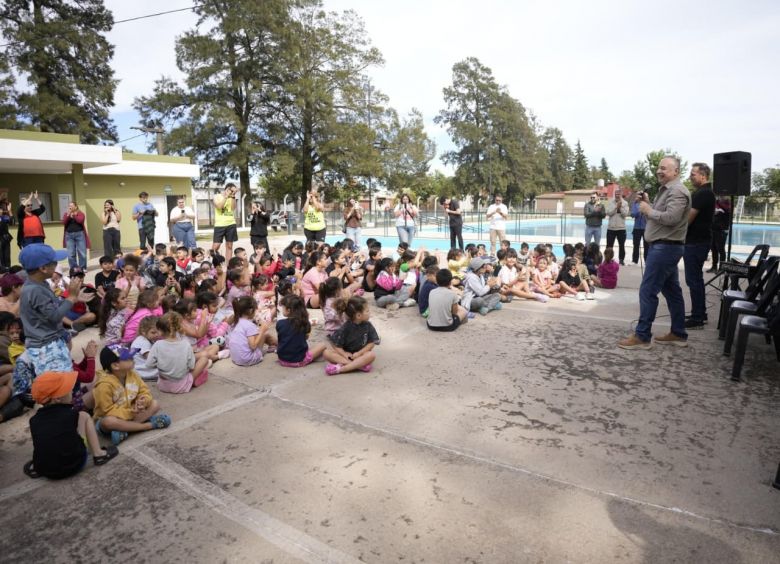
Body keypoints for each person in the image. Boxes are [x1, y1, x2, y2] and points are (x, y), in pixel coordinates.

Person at [619, 156, 691, 350]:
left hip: (665, 248)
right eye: (659, 168)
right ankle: (678, 333)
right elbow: (662, 214)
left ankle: (642, 336)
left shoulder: (677, 191)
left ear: (676, 171)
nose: (659, 171)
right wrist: (649, 204)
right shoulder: (668, 190)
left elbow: (672, 218)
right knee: (672, 291)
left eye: (664, 168)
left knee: (648, 290)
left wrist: (648, 210)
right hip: (665, 247)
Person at [24, 371, 118, 479]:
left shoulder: (33, 420)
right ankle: (99, 454)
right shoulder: (72, 414)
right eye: (67, 389)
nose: (72, 390)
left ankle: (39, 466)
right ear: (58, 398)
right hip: (75, 464)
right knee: (84, 416)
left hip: (46, 471)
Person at [19, 244, 92, 374]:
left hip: (50, 340)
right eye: (54, 262)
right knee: (61, 387)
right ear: (43, 268)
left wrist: (74, 299)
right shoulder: (35, 290)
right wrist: (71, 297)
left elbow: (49, 308)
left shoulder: (39, 283)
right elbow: (54, 316)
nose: (57, 265)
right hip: (46, 347)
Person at [93, 345, 172, 445]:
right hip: (113, 417)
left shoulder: (132, 374)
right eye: (128, 358)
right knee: (108, 422)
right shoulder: (103, 385)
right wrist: (130, 413)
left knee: (155, 404)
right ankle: (148, 425)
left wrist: (143, 401)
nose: (132, 358)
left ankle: (126, 429)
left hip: (132, 413)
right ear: (115, 366)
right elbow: (106, 411)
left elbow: (144, 391)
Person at [683, 162, 716, 329]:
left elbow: (689, 219)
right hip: (698, 242)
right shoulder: (704, 192)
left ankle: (697, 318)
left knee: (693, 280)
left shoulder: (704, 193)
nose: (690, 176)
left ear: (703, 175)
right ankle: (700, 313)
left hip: (696, 243)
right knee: (696, 279)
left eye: (693, 173)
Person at [147, 312, 209, 393]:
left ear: (161, 330)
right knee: (204, 359)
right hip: (181, 386)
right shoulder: (186, 344)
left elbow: (149, 364)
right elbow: (191, 366)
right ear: (178, 328)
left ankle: (192, 380)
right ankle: (192, 381)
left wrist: (163, 364)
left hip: (163, 385)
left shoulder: (157, 345)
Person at [323, 296, 379, 375]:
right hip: (346, 356)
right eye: (367, 311)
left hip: (361, 355)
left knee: (371, 355)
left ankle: (342, 369)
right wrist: (344, 354)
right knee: (326, 353)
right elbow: (336, 345)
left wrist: (359, 353)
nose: (369, 312)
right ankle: (358, 365)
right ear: (358, 315)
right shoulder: (346, 327)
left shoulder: (368, 325)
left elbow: (372, 342)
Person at [276, 295, 327, 368]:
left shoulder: (280, 323)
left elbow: (281, 337)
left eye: (283, 308)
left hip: (282, 360)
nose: (282, 310)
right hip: (299, 361)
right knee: (323, 345)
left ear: (288, 310)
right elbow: (306, 337)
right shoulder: (304, 323)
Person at [226, 296, 276, 367]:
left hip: (235, 358)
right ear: (250, 311)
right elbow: (253, 346)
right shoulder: (249, 325)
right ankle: (280, 346)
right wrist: (262, 330)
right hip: (248, 359)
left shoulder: (235, 321)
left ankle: (273, 346)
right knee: (265, 334)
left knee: (259, 334)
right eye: (256, 310)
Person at [62, 201, 90, 270]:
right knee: (71, 254)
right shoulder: (66, 214)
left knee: (82, 253)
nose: (70, 207)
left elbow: (80, 221)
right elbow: (64, 222)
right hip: (69, 235)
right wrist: (68, 215)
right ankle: (74, 268)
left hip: (79, 234)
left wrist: (74, 215)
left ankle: (82, 268)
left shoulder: (80, 214)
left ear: (76, 207)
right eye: (69, 206)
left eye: (71, 206)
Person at [212, 183, 239, 256]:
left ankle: (228, 266)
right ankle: (211, 263)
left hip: (231, 224)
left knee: (229, 246)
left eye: (234, 191)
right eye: (232, 190)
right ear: (227, 189)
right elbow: (219, 206)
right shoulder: (216, 196)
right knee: (216, 246)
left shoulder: (232, 198)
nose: (233, 192)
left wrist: (233, 196)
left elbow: (233, 208)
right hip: (220, 224)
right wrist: (226, 197)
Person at [605, 189, 629, 265]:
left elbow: (625, 214)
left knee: (622, 245)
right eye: (616, 194)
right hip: (611, 228)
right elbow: (608, 213)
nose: (617, 195)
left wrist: (620, 207)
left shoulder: (625, 203)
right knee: (609, 245)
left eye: (618, 194)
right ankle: (608, 260)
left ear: (621, 194)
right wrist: (616, 207)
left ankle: (621, 260)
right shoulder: (610, 202)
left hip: (621, 228)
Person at [709, 195, 731, 273]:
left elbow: (726, 211)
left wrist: (719, 210)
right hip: (713, 229)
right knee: (713, 248)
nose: (719, 197)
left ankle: (722, 268)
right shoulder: (716, 204)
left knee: (720, 249)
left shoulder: (727, 205)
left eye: (722, 196)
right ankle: (714, 266)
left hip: (721, 230)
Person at [630, 193, 648, 265]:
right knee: (636, 245)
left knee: (646, 245)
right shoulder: (635, 204)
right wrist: (639, 210)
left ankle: (646, 261)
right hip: (637, 228)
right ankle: (635, 260)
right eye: (638, 196)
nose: (640, 197)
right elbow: (633, 214)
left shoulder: (648, 204)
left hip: (645, 228)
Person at [0, 197, 13, 268]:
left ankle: (8, 270)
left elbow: (12, 223)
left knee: (7, 256)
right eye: (3, 205)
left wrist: (10, 211)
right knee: (1, 257)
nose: (3, 208)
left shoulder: (4, 217)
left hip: (6, 238)